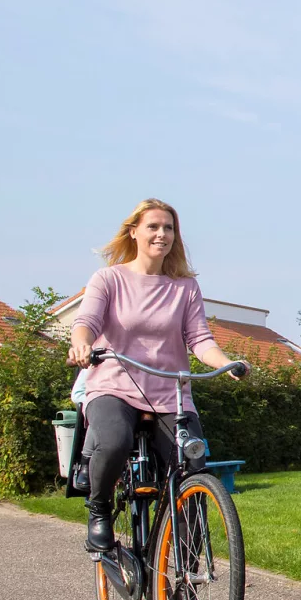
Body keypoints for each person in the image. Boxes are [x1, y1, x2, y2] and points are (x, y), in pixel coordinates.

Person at [66, 199, 247, 554]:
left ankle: (185, 579)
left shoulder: (185, 287)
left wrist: (226, 363)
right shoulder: (109, 279)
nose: (162, 234)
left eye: (168, 228)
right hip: (114, 385)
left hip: (169, 393)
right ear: (133, 231)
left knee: (192, 469)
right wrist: (82, 346)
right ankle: (99, 510)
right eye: (153, 226)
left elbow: (199, 339)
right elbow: (85, 323)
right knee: (115, 440)